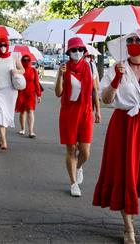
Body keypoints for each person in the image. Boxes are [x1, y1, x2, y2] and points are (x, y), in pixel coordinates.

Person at [92, 29, 140, 244]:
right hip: (123, 127)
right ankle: (128, 228)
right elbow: (106, 99)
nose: (133, 43)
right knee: (125, 176)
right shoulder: (116, 67)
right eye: (130, 40)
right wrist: (116, 78)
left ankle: (130, 212)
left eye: (138, 40)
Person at [55, 37, 101, 197]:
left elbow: (94, 90)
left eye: (80, 50)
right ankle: (73, 183)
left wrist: (98, 111)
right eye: (74, 50)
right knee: (71, 149)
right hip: (69, 113)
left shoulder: (89, 66)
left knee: (85, 152)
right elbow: (58, 93)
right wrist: (60, 76)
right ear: (68, 52)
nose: (77, 53)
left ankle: (78, 166)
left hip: (86, 111)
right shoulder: (64, 68)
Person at [0, 37, 25, 150]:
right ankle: (4, 140)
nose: (3, 47)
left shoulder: (14, 57)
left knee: (6, 114)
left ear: (8, 45)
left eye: (5, 45)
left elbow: (23, 70)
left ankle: (1, 136)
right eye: (1, 45)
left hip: (10, 91)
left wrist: (16, 71)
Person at [15, 54, 42, 138]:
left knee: (30, 110)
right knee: (23, 111)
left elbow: (36, 83)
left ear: (30, 61)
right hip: (21, 93)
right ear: (21, 61)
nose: (26, 62)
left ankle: (31, 131)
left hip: (31, 93)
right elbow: (14, 81)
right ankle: (22, 129)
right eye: (24, 60)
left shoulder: (33, 70)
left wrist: (39, 95)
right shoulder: (19, 70)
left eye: (28, 60)